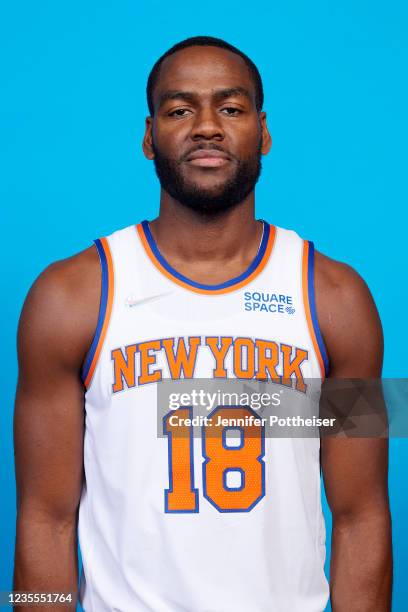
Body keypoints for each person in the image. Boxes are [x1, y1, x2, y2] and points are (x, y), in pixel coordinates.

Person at [13, 36, 392, 611]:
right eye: (180, 109)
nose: (207, 126)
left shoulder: (338, 299)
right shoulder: (68, 297)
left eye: (231, 108)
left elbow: (361, 515)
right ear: (148, 137)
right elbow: (44, 516)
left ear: (263, 132)